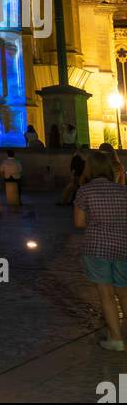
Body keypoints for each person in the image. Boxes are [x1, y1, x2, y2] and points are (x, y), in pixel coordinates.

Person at [74, 149, 127, 350]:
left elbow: (78, 223)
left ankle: (116, 339)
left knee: (105, 294)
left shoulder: (85, 191)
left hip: (97, 247)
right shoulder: (123, 191)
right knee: (124, 292)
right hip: (123, 245)